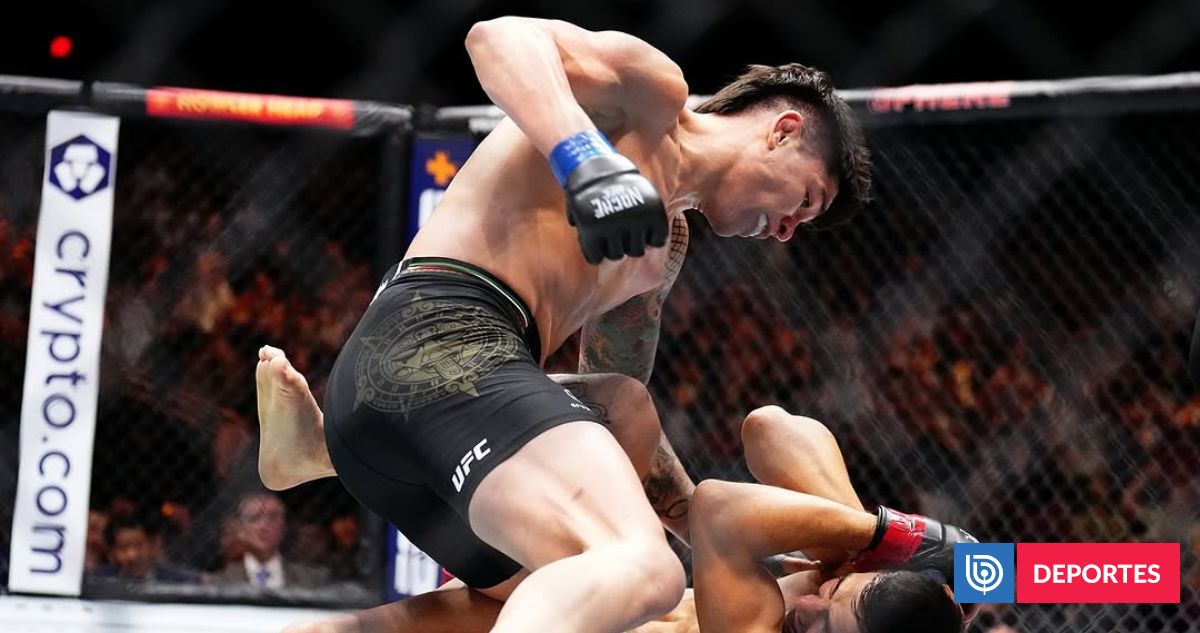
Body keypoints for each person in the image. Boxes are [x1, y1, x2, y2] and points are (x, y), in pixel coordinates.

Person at [259, 16, 872, 633]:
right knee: (640, 566)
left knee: (583, 568)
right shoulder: (651, 99)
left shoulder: (661, 248)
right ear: (783, 132)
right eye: (806, 200)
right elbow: (496, 38)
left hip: (389, 430)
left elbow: (611, 422)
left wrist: (721, 540)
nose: (787, 230)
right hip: (440, 334)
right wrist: (584, 159)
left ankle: (323, 473)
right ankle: (323, 450)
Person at [256, 348, 974, 633]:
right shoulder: (860, 598)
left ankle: (335, 451)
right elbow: (771, 427)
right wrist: (862, 545)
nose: (810, 609)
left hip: (572, 612)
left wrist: (875, 536)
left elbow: (723, 508)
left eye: (824, 631)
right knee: (622, 404)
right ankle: (328, 453)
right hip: (581, 579)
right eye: (834, 598)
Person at [210, 491, 329, 589]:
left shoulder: (314, 580)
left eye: (273, 518)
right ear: (241, 527)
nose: (264, 526)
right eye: (254, 518)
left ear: (284, 526)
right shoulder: (218, 582)